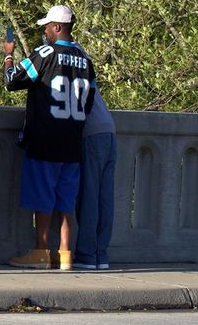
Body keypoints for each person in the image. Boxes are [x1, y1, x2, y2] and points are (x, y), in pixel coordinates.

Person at [5, 5, 96, 271]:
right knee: (66, 200)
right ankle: (65, 253)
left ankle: (41, 251)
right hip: (73, 141)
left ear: (58, 27)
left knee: (42, 196)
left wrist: (8, 57)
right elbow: (89, 102)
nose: (44, 31)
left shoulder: (44, 54)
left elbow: (12, 81)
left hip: (45, 138)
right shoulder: (85, 59)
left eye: (47, 26)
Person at [75, 54, 116, 270]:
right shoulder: (84, 61)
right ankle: (101, 254)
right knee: (104, 195)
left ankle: (87, 255)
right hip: (108, 129)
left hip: (90, 132)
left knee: (89, 195)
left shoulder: (67, 59)